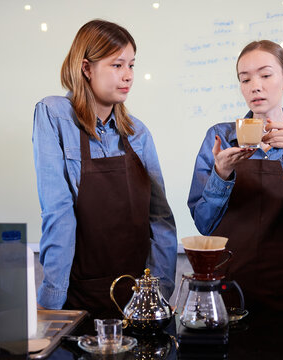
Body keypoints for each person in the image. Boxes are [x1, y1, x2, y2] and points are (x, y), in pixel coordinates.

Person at [32, 19, 177, 318]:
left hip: (136, 303)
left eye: (131, 66)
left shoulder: (138, 133)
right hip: (77, 304)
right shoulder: (54, 115)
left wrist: (157, 296)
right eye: (117, 65)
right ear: (86, 68)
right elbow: (58, 214)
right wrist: (50, 304)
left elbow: (160, 219)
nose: (128, 76)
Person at [187, 40, 283, 318]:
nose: (255, 86)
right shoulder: (220, 137)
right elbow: (204, 224)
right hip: (225, 289)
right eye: (245, 78)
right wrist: (221, 174)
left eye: (265, 75)